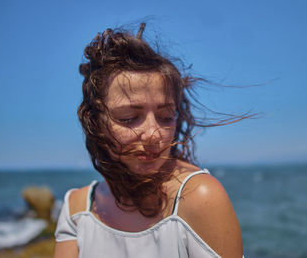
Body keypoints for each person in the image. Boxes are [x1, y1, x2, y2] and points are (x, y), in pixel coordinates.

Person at [54, 23, 244, 258]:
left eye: (166, 117)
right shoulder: (77, 208)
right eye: (129, 118)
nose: (153, 134)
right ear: (96, 123)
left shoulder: (200, 197)